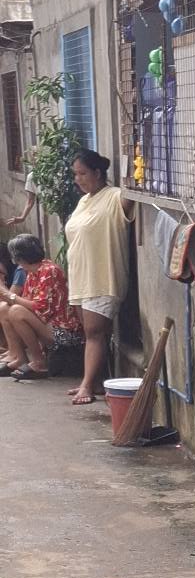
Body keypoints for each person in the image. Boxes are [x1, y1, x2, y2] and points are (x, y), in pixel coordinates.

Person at [65, 149, 135, 405]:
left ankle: (86, 386)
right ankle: (93, 381)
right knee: (92, 334)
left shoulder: (114, 197)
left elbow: (132, 194)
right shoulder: (84, 201)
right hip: (81, 279)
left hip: (102, 277)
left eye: (82, 173)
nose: (78, 179)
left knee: (94, 332)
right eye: (75, 174)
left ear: (98, 173)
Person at [0, 233, 82, 379]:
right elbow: (26, 300)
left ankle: (39, 362)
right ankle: (18, 356)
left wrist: (8, 294)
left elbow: (39, 306)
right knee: (4, 309)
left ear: (19, 258)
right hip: (47, 323)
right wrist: (7, 295)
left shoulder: (49, 271)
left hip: (63, 331)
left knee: (17, 311)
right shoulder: (33, 272)